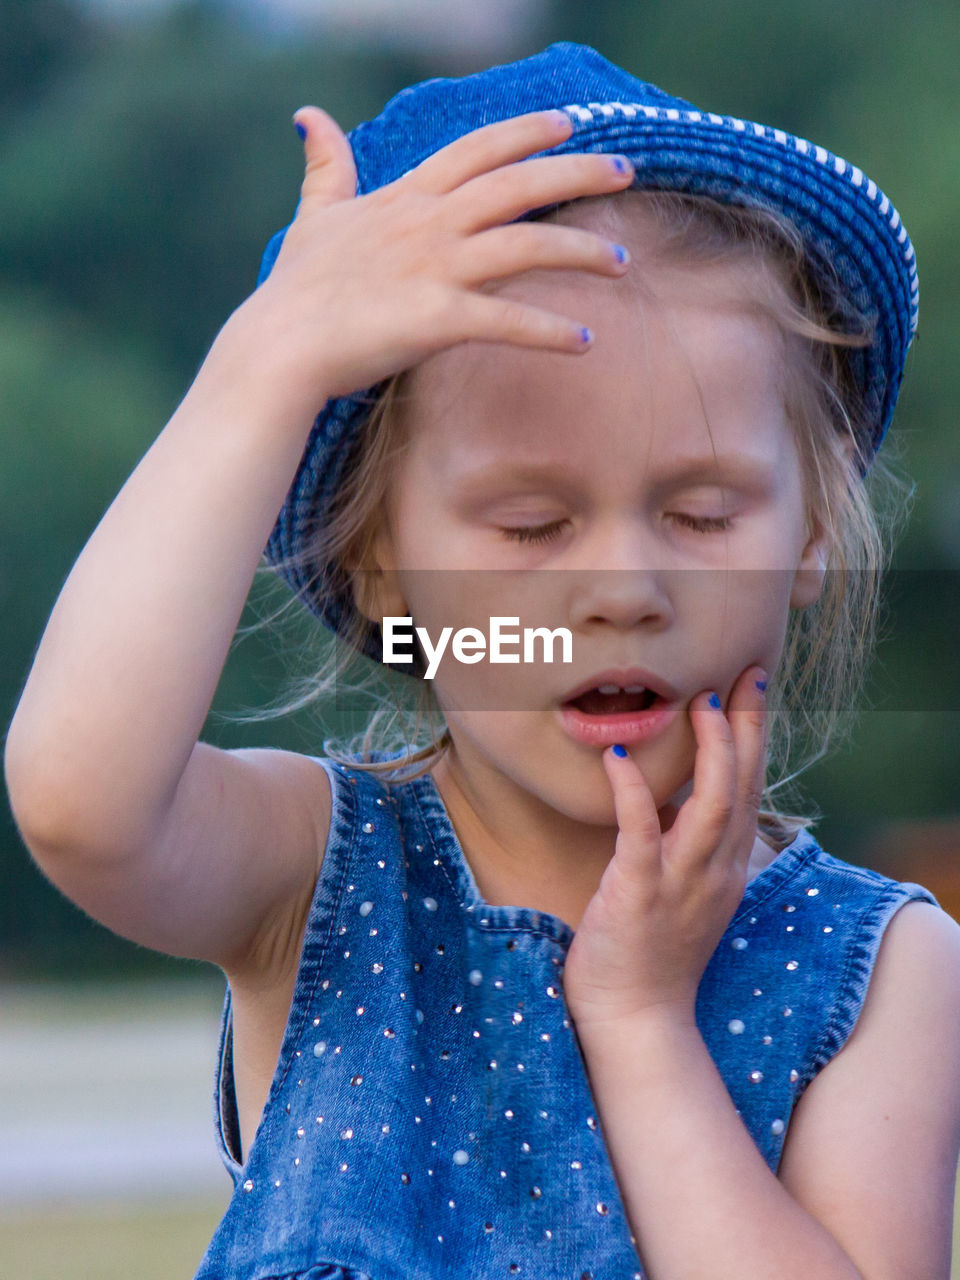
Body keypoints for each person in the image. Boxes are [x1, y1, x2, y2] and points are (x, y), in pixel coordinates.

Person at [4, 40, 959, 1280]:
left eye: (704, 514)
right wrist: (265, 368)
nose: (622, 587)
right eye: (529, 526)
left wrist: (640, 1026)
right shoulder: (318, 878)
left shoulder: (881, 968)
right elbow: (80, 798)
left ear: (813, 535)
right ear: (385, 569)